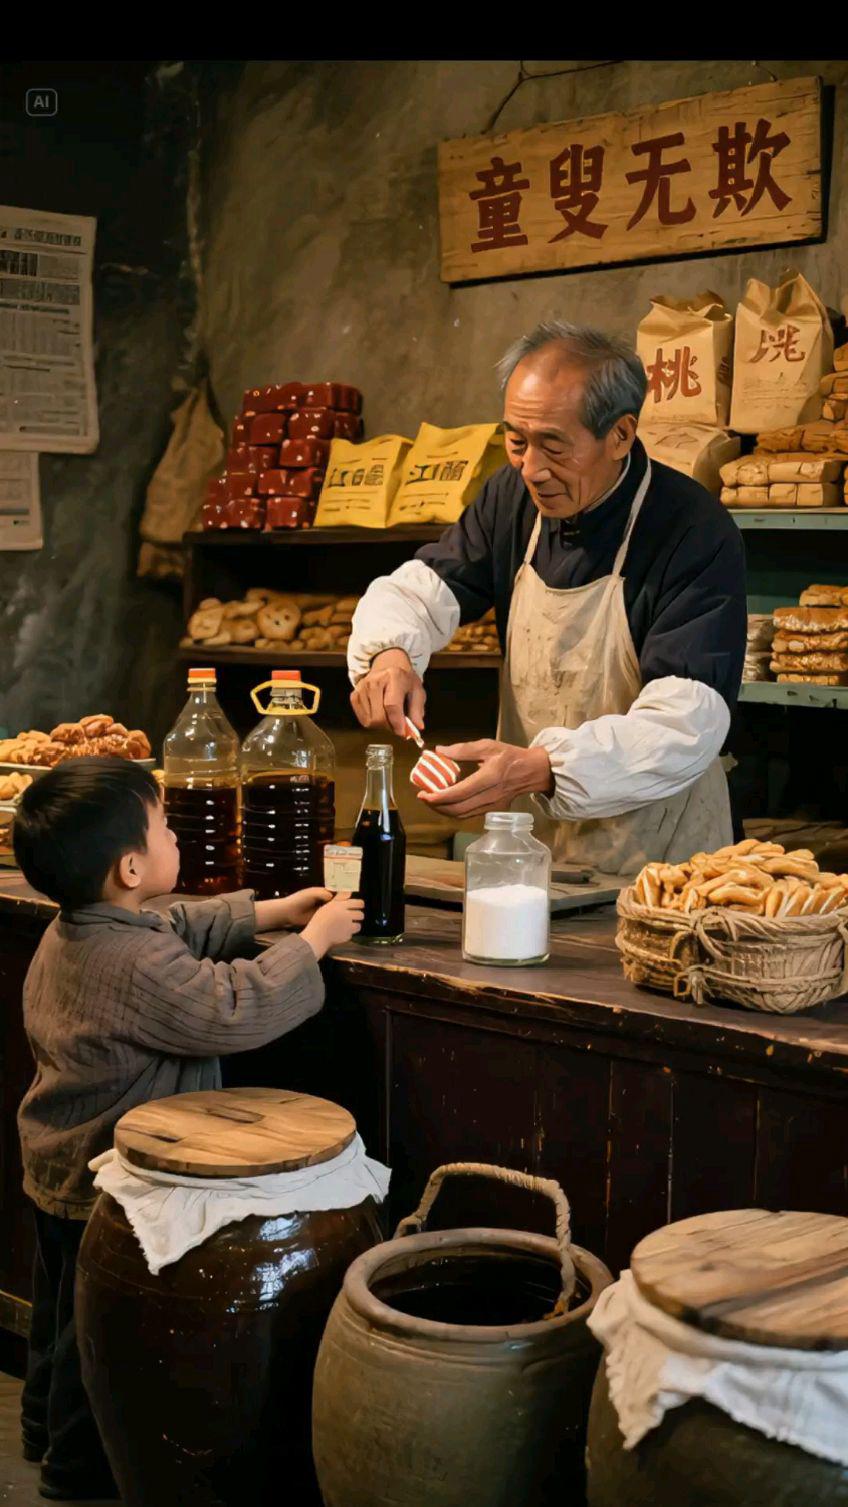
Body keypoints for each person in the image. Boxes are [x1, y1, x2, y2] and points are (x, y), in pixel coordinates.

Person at [12, 757, 363, 1501]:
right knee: (89, 1333)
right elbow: (234, 1006)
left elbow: (172, 922)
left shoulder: (78, 928)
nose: (178, 833)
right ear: (132, 864)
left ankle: (38, 1429)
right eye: (166, 824)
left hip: (50, 1158)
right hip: (101, 1176)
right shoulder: (135, 961)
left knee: (54, 1316)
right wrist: (317, 940)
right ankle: (73, 1473)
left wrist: (271, 911)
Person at [349, 320, 747, 873]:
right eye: (517, 441)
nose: (532, 470)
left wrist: (544, 767)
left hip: (659, 853)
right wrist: (390, 654)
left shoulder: (692, 529)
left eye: (554, 447)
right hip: (531, 841)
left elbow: (686, 724)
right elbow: (424, 588)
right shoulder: (510, 497)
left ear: (621, 435)